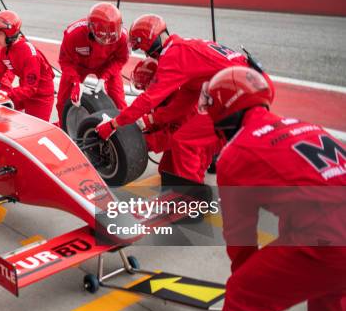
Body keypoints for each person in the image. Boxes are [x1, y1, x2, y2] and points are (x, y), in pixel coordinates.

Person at [199, 66, 346, 311]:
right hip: (330, 231)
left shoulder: (237, 154)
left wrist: (249, 278)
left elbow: (240, 237)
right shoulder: (304, 125)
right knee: (330, 293)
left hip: (331, 240)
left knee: (244, 296)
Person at [96, 14, 273, 188]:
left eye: (143, 48)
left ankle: (190, 203)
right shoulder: (183, 47)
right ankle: (193, 186)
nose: (145, 53)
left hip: (243, 91)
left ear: (149, 42)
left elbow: (149, 99)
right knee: (175, 161)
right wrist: (149, 120)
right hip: (254, 84)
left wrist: (114, 124)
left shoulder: (173, 56)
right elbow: (184, 101)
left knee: (184, 142)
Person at [56, 2, 129, 123]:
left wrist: (105, 76)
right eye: (102, 38)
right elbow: (65, 61)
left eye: (110, 39)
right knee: (62, 102)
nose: (106, 42)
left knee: (119, 101)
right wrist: (75, 82)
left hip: (106, 64)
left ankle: (124, 127)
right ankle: (64, 128)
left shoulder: (123, 37)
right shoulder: (73, 34)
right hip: (78, 66)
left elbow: (121, 59)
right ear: (91, 29)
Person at [0, 10, 55, 121]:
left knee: (35, 129)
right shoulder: (4, 51)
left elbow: (30, 89)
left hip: (40, 96)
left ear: (10, 34)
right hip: (24, 90)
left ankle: (61, 127)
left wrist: (6, 94)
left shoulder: (30, 55)